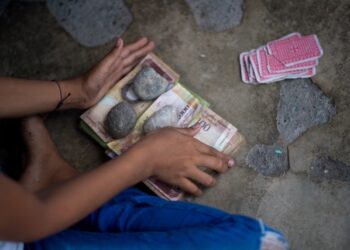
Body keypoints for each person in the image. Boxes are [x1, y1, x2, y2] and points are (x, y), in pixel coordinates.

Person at [0, 37, 288, 250]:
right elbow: (32, 222)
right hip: (23, 232)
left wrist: (77, 92)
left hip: (17, 219)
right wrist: (145, 159)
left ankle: (55, 181)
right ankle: (52, 189)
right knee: (257, 241)